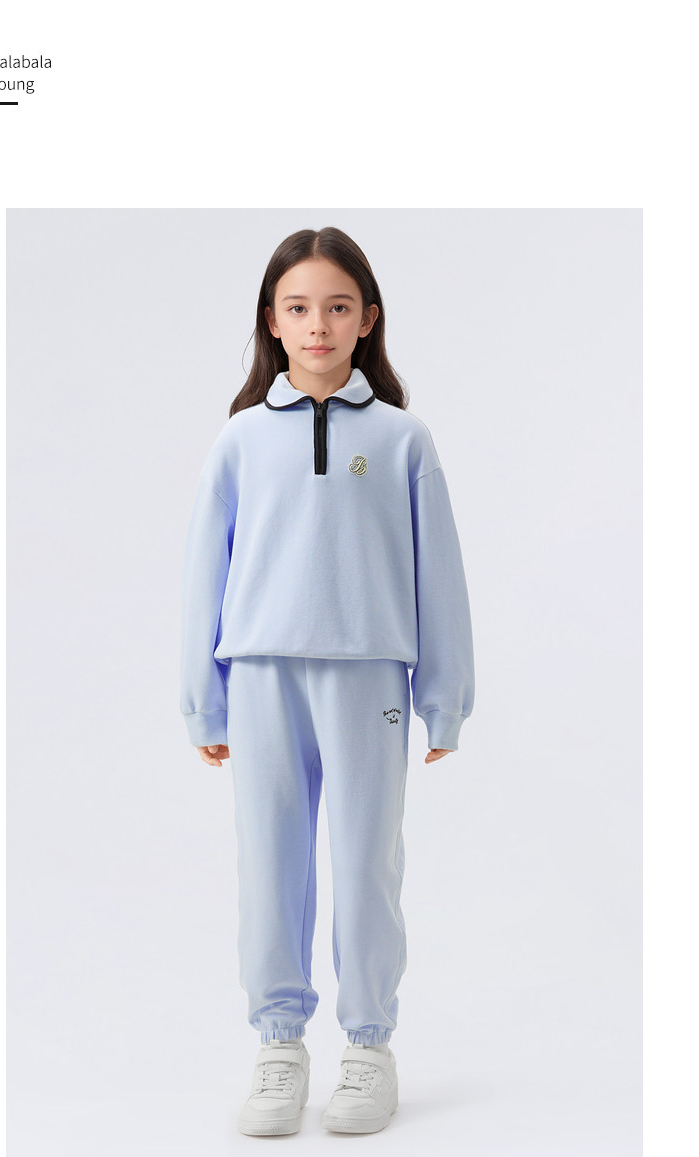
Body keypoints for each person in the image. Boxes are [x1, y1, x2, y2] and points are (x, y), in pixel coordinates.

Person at [179, 226, 475, 1136]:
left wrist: (443, 699)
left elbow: (439, 574)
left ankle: (368, 1047)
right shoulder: (238, 442)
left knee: (366, 864)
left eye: (338, 307)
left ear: (367, 319)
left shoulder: (402, 439)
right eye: (299, 308)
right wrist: (204, 699)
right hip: (262, 677)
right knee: (269, 864)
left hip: (368, 678)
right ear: (271, 320)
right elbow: (204, 572)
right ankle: (278, 1045)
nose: (319, 325)